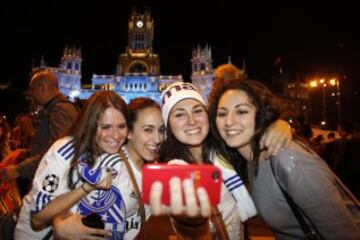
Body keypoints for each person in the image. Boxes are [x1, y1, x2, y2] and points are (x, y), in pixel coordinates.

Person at [208, 79, 360, 239]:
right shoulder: (248, 161)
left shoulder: (287, 159)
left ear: (261, 115)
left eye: (242, 111)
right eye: (222, 113)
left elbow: (345, 234)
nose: (229, 121)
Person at [150, 82, 292, 239]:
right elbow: (190, 230)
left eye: (197, 111)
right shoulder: (173, 170)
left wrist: (277, 126)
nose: (191, 121)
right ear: (168, 125)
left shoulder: (227, 150)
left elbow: (256, 133)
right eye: (179, 114)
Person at [14, 91, 129, 239]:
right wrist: (88, 187)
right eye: (106, 127)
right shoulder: (64, 153)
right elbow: (37, 218)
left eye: (122, 126)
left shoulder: (114, 154)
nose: (116, 135)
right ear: (90, 126)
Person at [0, 70, 79, 183]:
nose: (31, 94)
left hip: (54, 182)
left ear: (42, 88)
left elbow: (60, 153)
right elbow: (47, 148)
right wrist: (24, 154)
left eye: (32, 89)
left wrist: (19, 170)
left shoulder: (60, 110)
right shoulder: (53, 109)